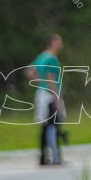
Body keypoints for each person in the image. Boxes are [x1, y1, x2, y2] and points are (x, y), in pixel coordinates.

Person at [28, 34, 64, 165]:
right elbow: (50, 79)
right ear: (52, 43)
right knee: (53, 126)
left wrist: (39, 82)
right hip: (50, 95)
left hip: (41, 93)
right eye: (59, 42)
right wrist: (57, 97)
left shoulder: (41, 57)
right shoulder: (52, 59)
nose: (61, 45)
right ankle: (55, 156)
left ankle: (43, 157)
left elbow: (29, 71)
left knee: (44, 126)